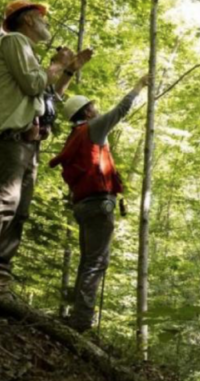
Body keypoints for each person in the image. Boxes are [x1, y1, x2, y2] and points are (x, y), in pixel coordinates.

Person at [0, 0, 92, 309]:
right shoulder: (13, 41)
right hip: (8, 137)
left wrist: (67, 71)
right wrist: (57, 63)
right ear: (28, 20)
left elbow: (48, 96)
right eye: (42, 18)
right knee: (3, 202)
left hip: (28, 142)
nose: (46, 24)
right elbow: (33, 82)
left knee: (19, 210)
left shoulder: (25, 51)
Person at [48, 73, 150, 332]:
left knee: (87, 262)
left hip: (82, 205)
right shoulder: (93, 128)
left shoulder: (74, 137)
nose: (96, 108)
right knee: (95, 263)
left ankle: (77, 317)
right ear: (87, 111)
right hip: (98, 204)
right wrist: (139, 86)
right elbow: (122, 110)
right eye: (92, 106)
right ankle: (81, 322)